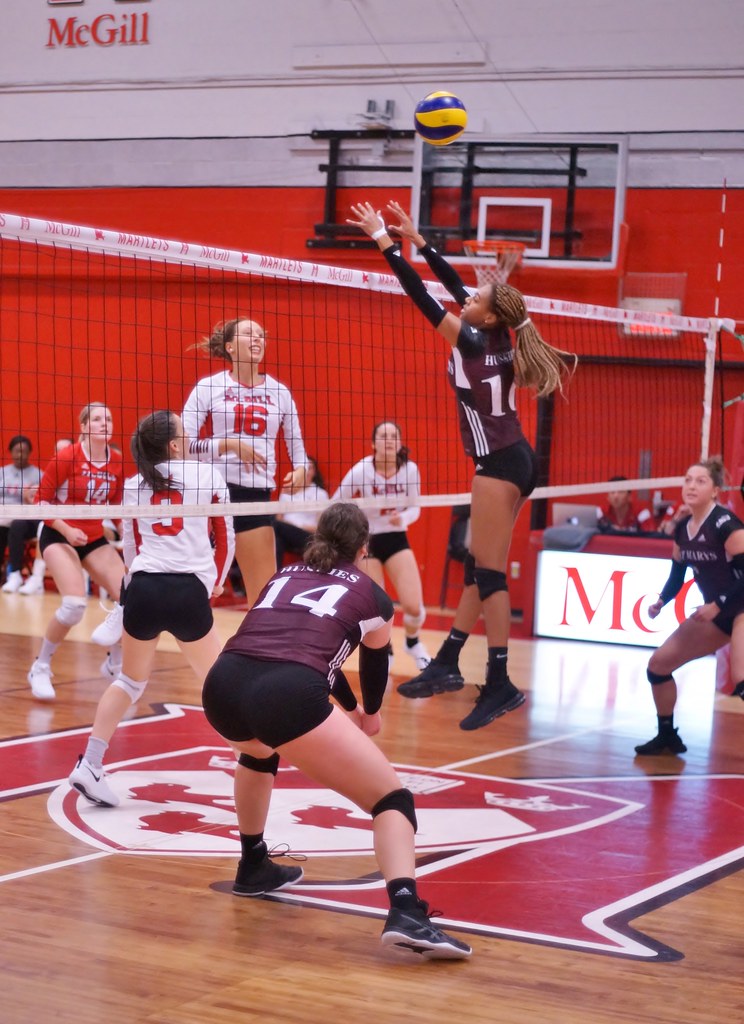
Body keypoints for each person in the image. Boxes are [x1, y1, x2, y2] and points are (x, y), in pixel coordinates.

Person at [201, 502, 471, 959]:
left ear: (317, 537)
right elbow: (373, 663)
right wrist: (370, 713)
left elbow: (304, 649)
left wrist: (347, 707)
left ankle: (253, 863)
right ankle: (407, 912)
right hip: (286, 691)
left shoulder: (283, 575)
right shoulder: (372, 595)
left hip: (223, 684)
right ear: (364, 547)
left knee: (259, 751)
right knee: (392, 800)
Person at [347, 199, 575, 730]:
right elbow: (454, 288)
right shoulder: (498, 333)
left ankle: (499, 682)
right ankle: (448, 661)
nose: (468, 297)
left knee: (490, 574)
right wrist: (422, 242)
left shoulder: (471, 341)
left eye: (476, 298)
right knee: (479, 567)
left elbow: (421, 294)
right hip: (515, 458)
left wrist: (385, 241)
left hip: (498, 465)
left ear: (487, 315)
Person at [69, 410, 235, 806]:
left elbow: (130, 545)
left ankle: (90, 764)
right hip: (187, 589)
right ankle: (252, 757)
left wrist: (132, 586)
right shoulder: (207, 475)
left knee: (129, 681)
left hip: (143, 587)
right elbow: (225, 535)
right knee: (217, 683)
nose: (190, 435)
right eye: (184, 431)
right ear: (175, 445)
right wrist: (215, 582)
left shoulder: (133, 483)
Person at [183, 317, 311, 608]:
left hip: (255, 497)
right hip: (212, 496)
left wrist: (301, 470)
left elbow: (298, 450)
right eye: (248, 334)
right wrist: (227, 445)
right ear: (229, 347)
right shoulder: (209, 387)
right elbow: (183, 446)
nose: (257, 339)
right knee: (192, 593)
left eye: (261, 335)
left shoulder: (280, 392)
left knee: (264, 599)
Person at [634, 457, 744, 756]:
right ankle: (667, 736)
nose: (692, 486)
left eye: (700, 481)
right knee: (658, 665)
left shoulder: (726, 525)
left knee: (741, 677)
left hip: (739, 606)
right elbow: (677, 575)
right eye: (688, 480)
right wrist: (661, 600)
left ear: (715, 491)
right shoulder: (683, 528)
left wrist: (718, 604)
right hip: (719, 612)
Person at [27, 404, 126, 701]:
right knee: (73, 606)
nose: (104, 423)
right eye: (96, 419)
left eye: (108, 419)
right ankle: (40, 666)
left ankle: (115, 663)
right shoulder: (67, 457)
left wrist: (127, 534)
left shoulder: (117, 461)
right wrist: (67, 530)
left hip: (93, 538)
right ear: (83, 427)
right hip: (59, 533)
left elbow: (117, 507)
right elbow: (40, 502)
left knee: (132, 597)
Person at [333, 421, 430, 672]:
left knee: (414, 606)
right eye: (383, 436)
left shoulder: (410, 470)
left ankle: (412, 642)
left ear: (399, 443)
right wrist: (356, 518)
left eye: (394, 436)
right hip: (368, 541)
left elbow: (415, 507)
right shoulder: (361, 470)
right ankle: (386, 649)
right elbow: (337, 502)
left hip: (396, 538)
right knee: (379, 607)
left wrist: (403, 518)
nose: (389, 440)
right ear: (373, 443)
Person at [0, 435, 42, 592]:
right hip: (3, 516)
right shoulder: (2, 473)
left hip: (26, 519)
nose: (20, 455)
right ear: (10, 452)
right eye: (17, 451)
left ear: (29, 452)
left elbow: (43, 502)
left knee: (16, 524)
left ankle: (15, 574)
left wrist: (30, 500)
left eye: (23, 451)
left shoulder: (39, 475)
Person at [274, 456, 329, 564]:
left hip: (307, 537)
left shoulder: (320, 494)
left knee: (272, 524)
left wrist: (296, 526)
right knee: (276, 539)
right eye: (304, 467)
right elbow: (278, 518)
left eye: (310, 468)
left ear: (314, 472)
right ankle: (274, 571)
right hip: (286, 535)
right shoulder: (287, 491)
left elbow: (321, 529)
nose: (307, 471)